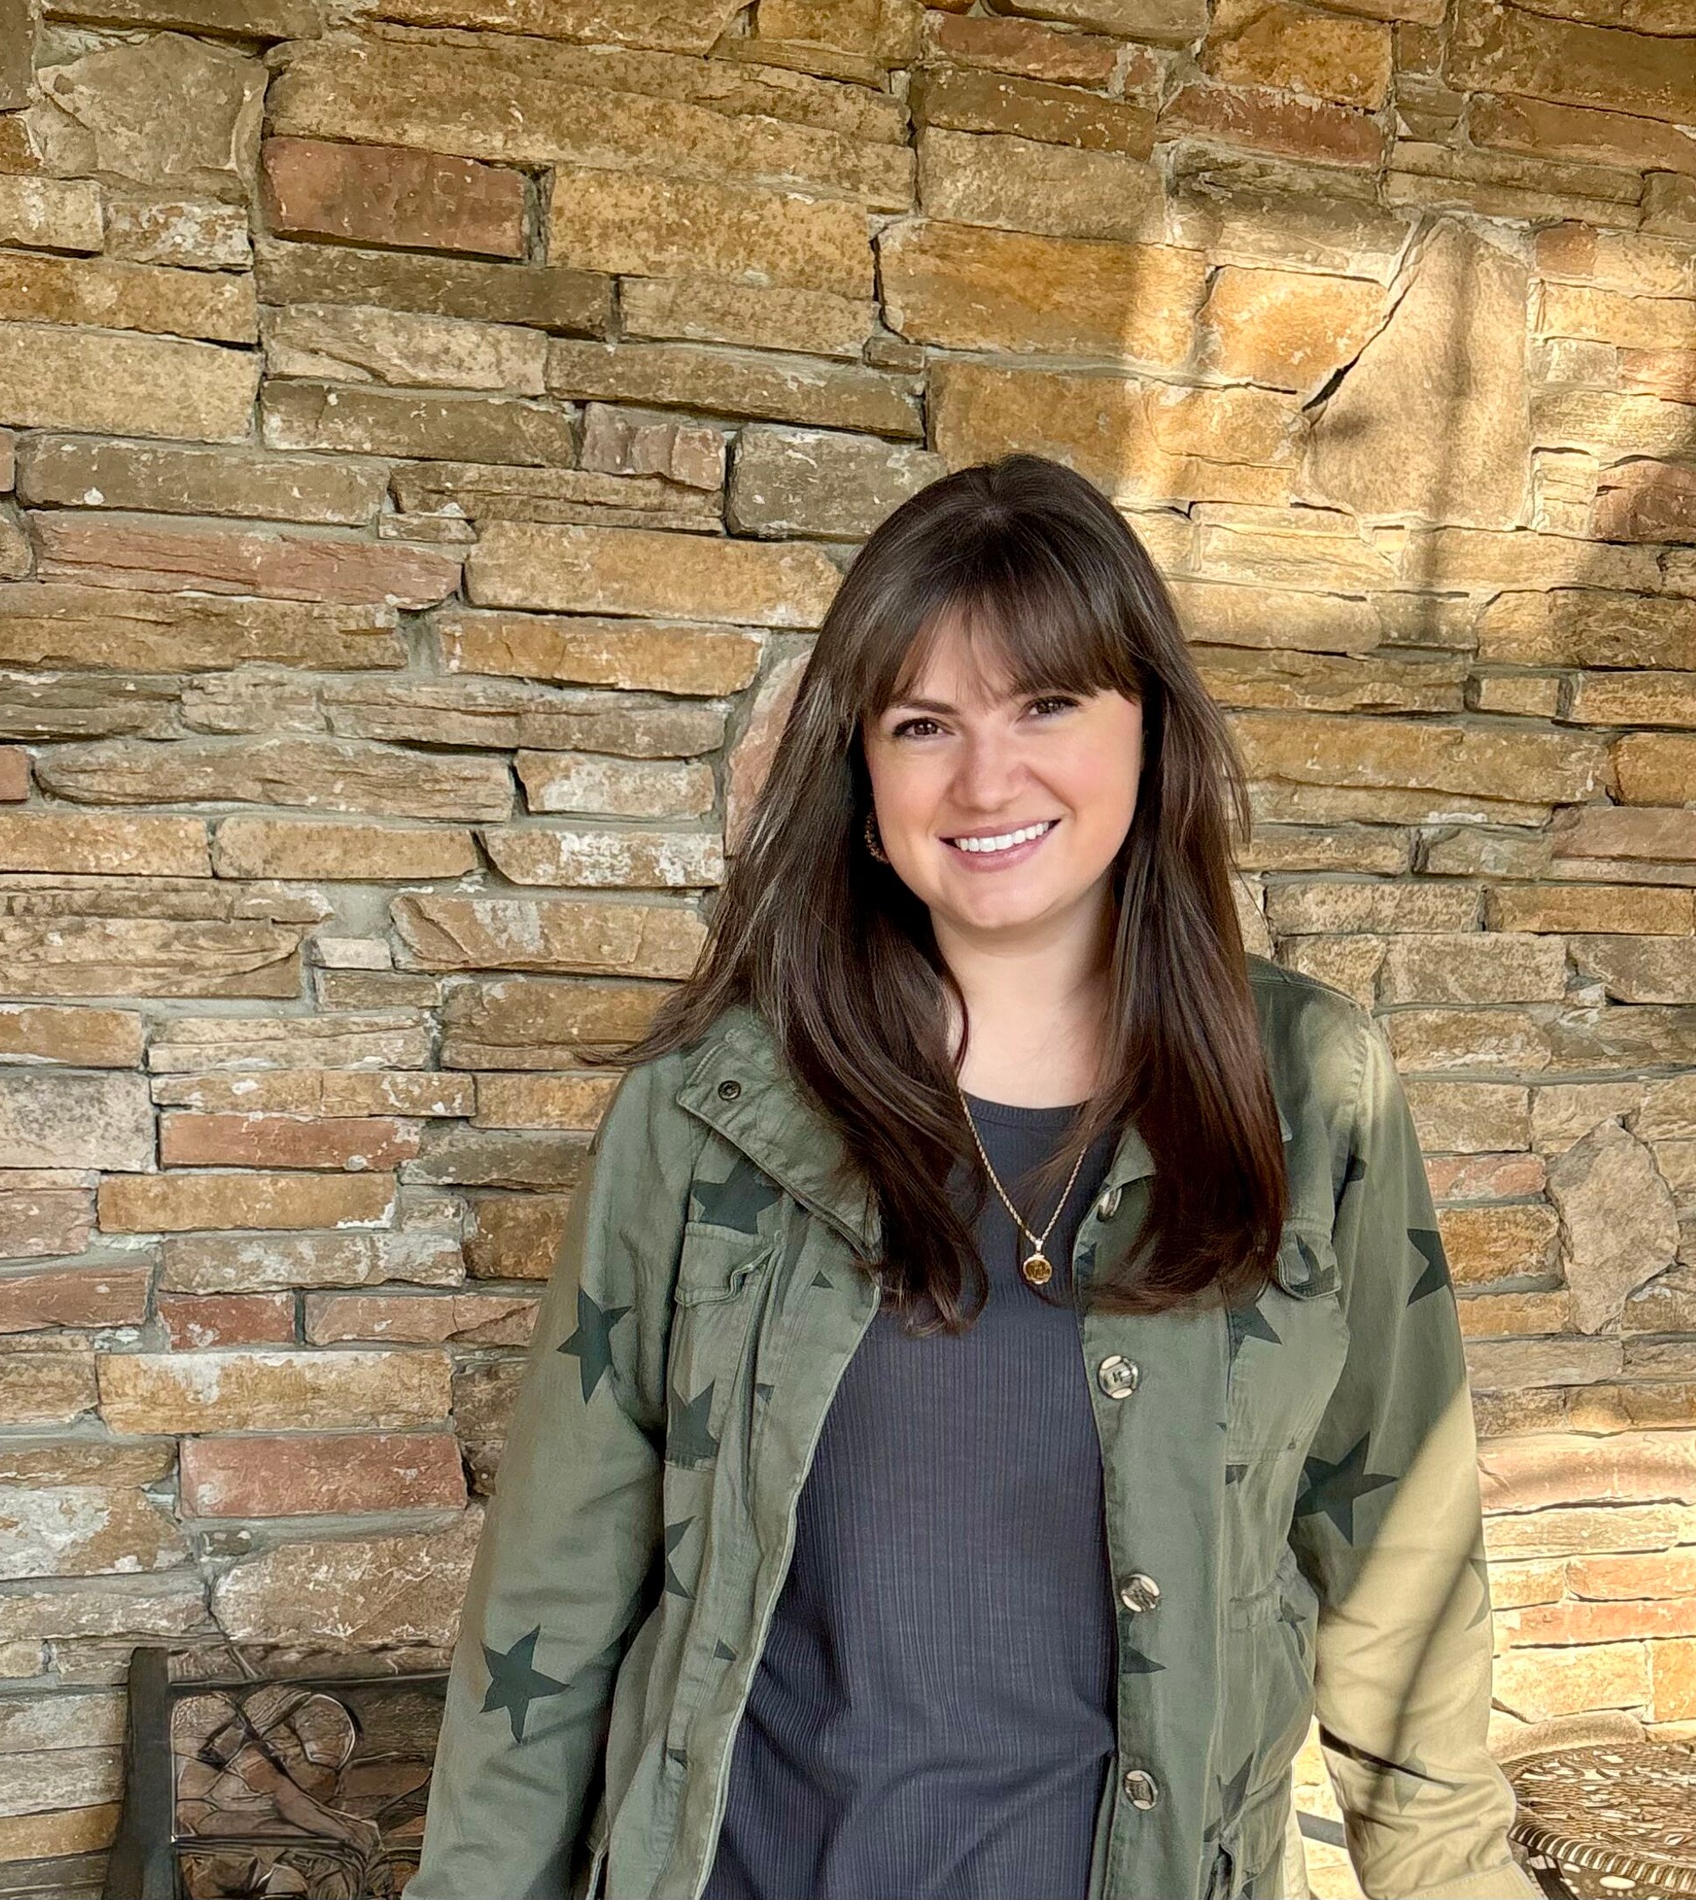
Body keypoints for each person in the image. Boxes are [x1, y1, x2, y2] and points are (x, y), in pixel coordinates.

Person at [403, 454, 1544, 1900]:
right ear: (864, 774)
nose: (985, 779)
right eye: (924, 722)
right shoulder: (707, 1114)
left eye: (1048, 704)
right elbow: (549, 1607)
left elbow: (1404, 1585)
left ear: (1151, 731)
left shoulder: (1311, 1095)